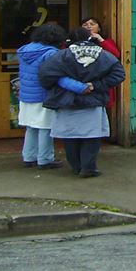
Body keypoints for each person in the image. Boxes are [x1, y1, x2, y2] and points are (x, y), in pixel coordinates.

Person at [38, 27, 126, 178]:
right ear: (89, 38)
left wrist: (69, 84)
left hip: (67, 102)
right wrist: (95, 85)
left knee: (70, 136)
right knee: (92, 136)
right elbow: (119, 74)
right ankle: (88, 167)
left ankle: (76, 166)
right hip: (94, 101)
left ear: (69, 39)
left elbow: (45, 74)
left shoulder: (61, 56)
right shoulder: (104, 55)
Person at [16, 24, 88, 169]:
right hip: (43, 95)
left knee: (31, 127)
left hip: (26, 95)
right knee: (45, 127)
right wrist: (81, 87)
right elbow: (57, 77)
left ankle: (29, 157)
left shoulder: (25, 51)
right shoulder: (50, 53)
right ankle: (45, 159)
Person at [81, 17, 121, 109]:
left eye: (92, 24)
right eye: (85, 24)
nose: (89, 26)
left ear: (99, 28)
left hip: (102, 79)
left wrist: (100, 39)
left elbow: (116, 54)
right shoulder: (76, 42)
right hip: (84, 78)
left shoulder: (107, 41)